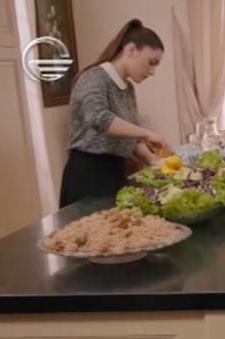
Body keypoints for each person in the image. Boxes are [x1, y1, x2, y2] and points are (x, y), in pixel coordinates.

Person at [59, 19, 169, 208]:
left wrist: (152, 160)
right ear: (131, 50)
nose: (152, 72)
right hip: (88, 176)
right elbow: (99, 119)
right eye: (151, 63)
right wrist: (147, 133)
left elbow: (130, 137)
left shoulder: (128, 88)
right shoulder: (93, 78)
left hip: (115, 173)